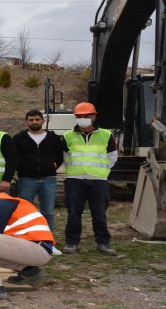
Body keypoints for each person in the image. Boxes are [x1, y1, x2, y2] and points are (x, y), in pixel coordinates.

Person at [61, 102, 118, 256]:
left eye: (86, 116)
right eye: (79, 116)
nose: (83, 119)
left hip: (98, 180)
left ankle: (103, 243)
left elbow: (112, 157)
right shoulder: (68, 136)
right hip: (74, 180)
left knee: (99, 213)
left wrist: (101, 172)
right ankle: (72, 243)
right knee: (73, 213)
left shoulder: (106, 135)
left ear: (94, 116)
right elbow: (66, 157)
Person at [13, 109, 64, 255]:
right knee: (25, 212)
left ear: (43, 121)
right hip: (26, 180)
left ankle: (48, 244)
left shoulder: (53, 138)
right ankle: (26, 241)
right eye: (31, 120)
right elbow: (13, 156)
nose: (34, 122)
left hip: (49, 180)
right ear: (26, 122)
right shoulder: (18, 138)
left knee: (47, 212)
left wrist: (52, 167)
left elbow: (59, 157)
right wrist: (21, 167)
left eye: (37, 119)